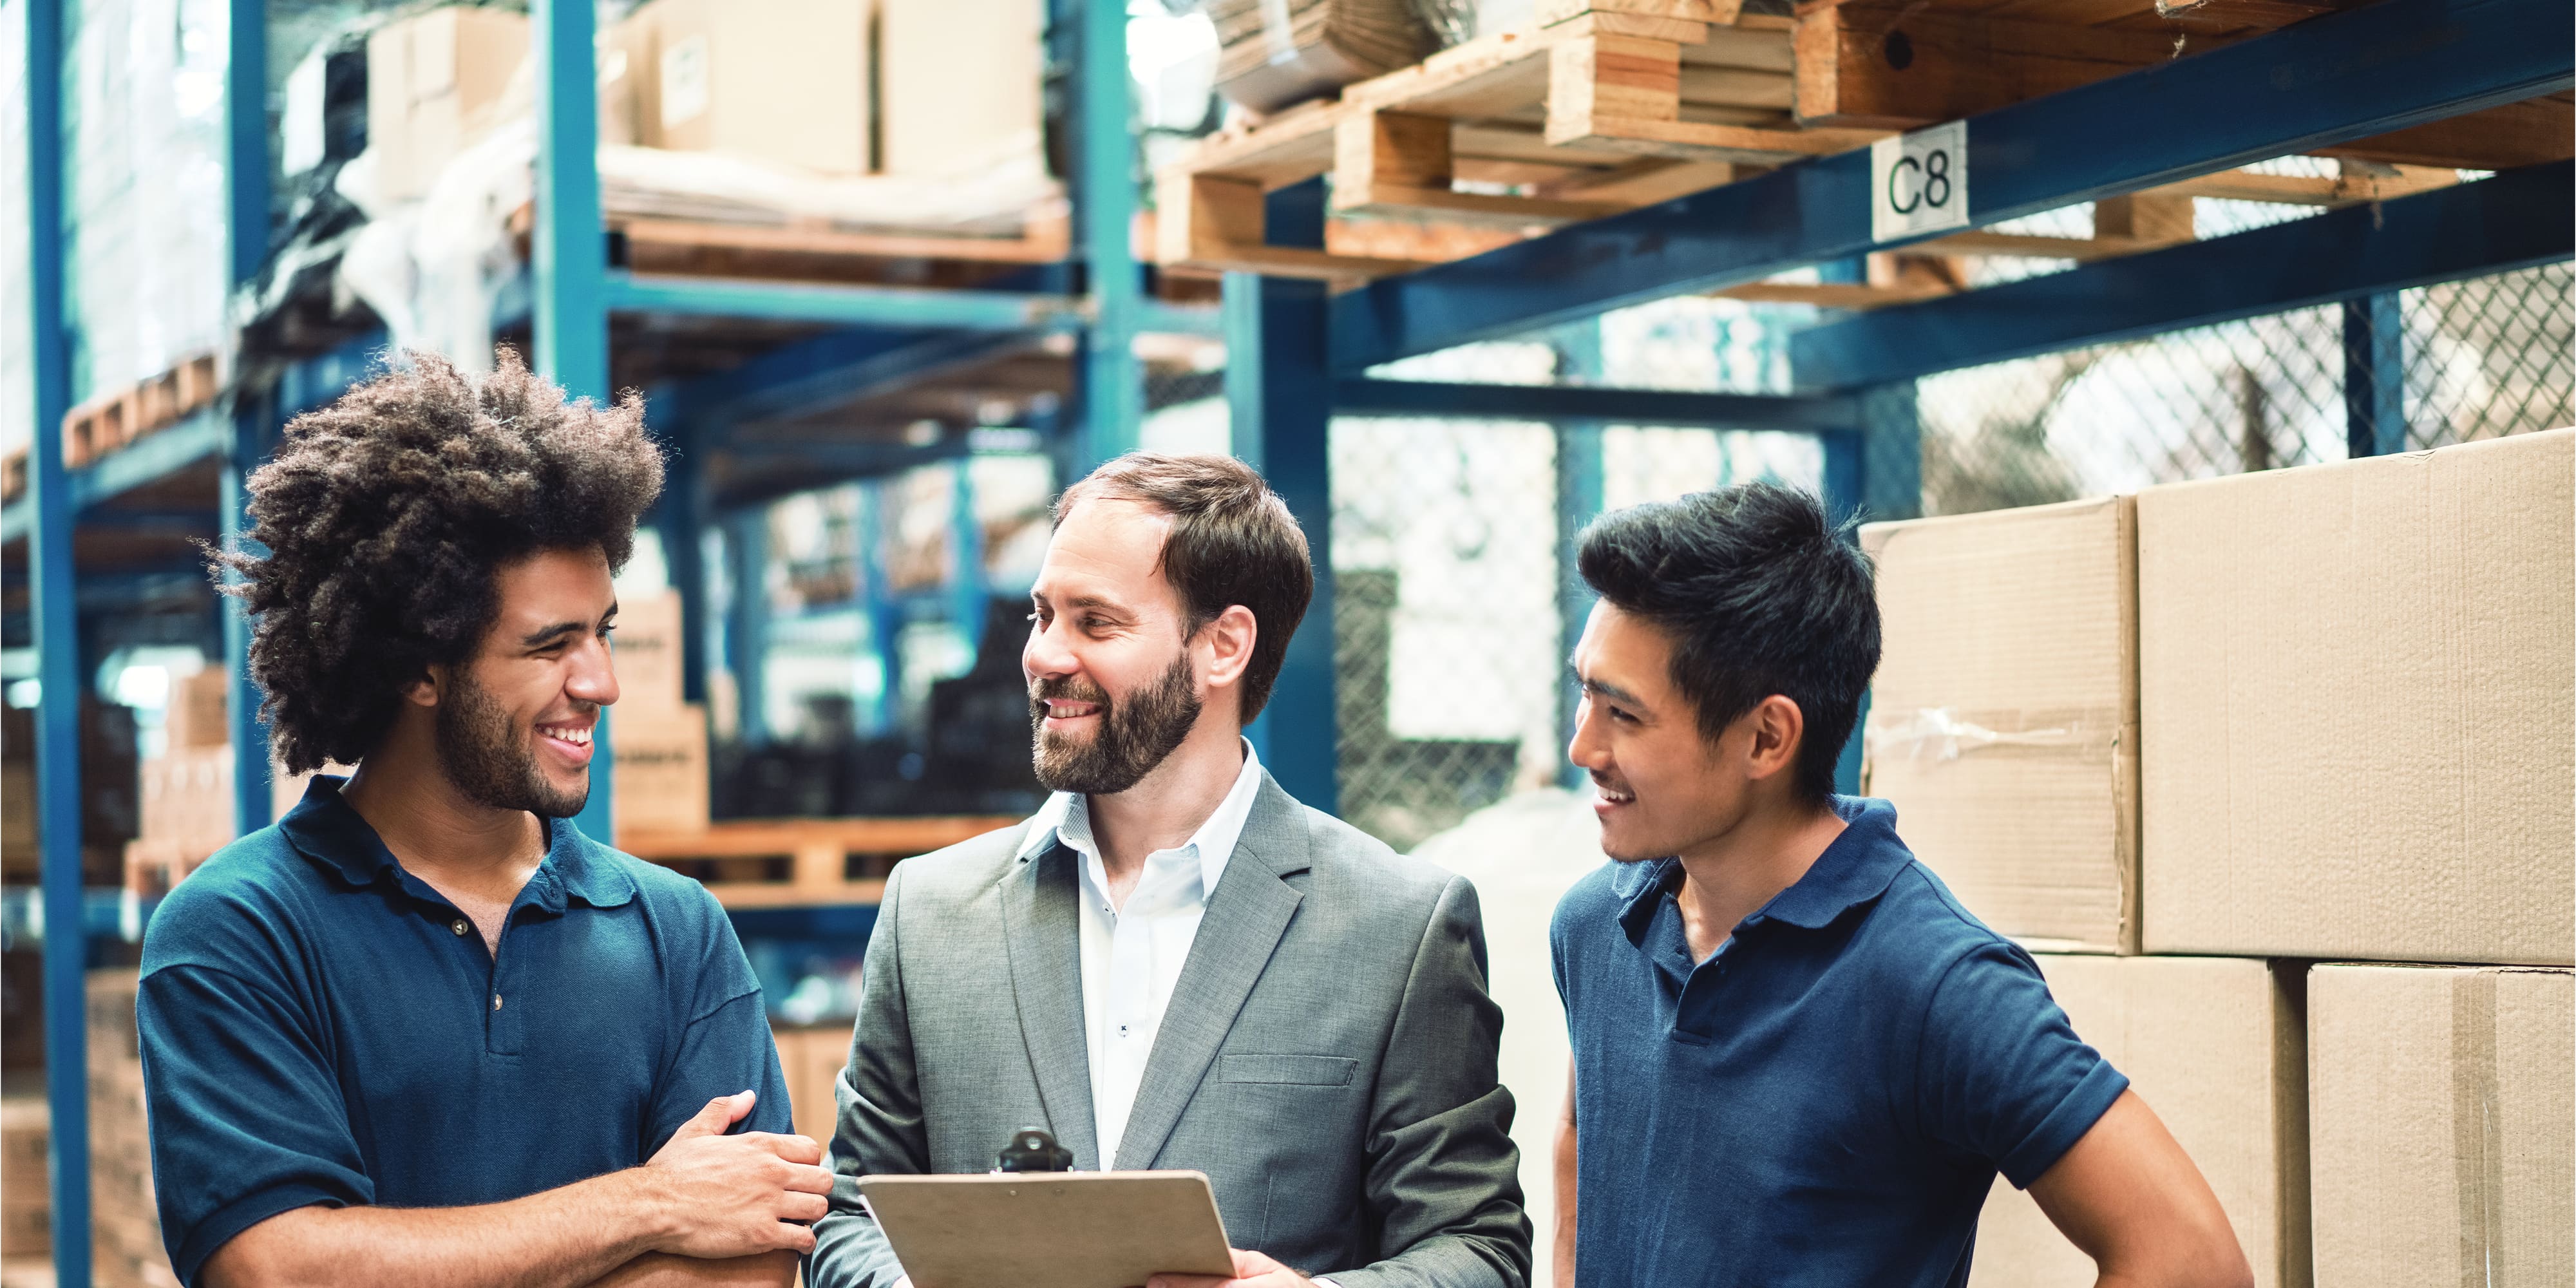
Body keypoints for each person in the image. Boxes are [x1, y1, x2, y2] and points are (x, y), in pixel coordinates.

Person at [142, 352, 831, 1288]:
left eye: (604, 633)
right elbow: (282, 1269)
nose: (601, 684)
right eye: (551, 646)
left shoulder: (677, 933)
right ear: (417, 669)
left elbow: (754, 1258)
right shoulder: (237, 932)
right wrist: (650, 1205)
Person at [806, 453, 1530, 1288]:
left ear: (1223, 645)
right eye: (1043, 615)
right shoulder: (930, 913)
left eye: (1095, 623)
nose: (1044, 656)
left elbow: (1479, 1251)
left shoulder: (1397, 928)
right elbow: (851, 1213)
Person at [1549, 484, 2251, 1288]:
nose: (1582, 746)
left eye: (1623, 714)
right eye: (1585, 692)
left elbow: (2192, 1259)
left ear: (1766, 736)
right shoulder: (1594, 924)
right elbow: (1578, 1135)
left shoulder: (1933, 980)